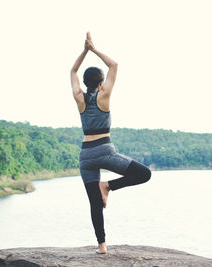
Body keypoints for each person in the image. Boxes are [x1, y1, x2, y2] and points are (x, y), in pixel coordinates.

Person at [70, 32, 151, 254]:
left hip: (85, 155)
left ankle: (102, 246)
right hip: (105, 151)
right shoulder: (103, 97)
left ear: (86, 83)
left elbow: (73, 71)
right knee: (144, 174)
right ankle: (108, 186)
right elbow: (114, 64)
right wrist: (94, 49)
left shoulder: (80, 98)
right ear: (102, 82)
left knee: (95, 205)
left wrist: (84, 51)